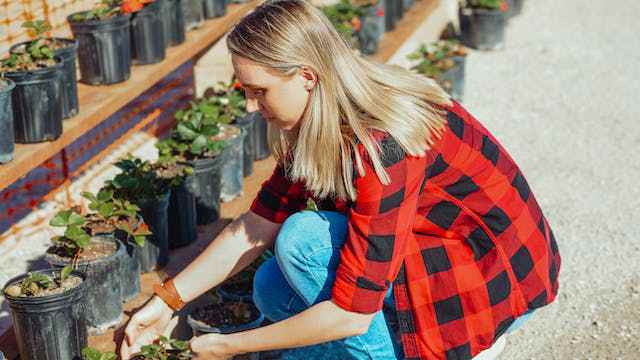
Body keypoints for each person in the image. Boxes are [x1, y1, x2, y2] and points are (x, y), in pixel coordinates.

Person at [120, 0, 561, 359]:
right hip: (432, 247)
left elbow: (350, 315)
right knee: (271, 288)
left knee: (302, 243)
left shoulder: (381, 143)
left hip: (487, 281)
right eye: (246, 91)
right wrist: (165, 302)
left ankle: (448, 348)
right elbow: (253, 228)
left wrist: (230, 347)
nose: (252, 107)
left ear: (307, 76)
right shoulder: (316, 119)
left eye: (260, 91)